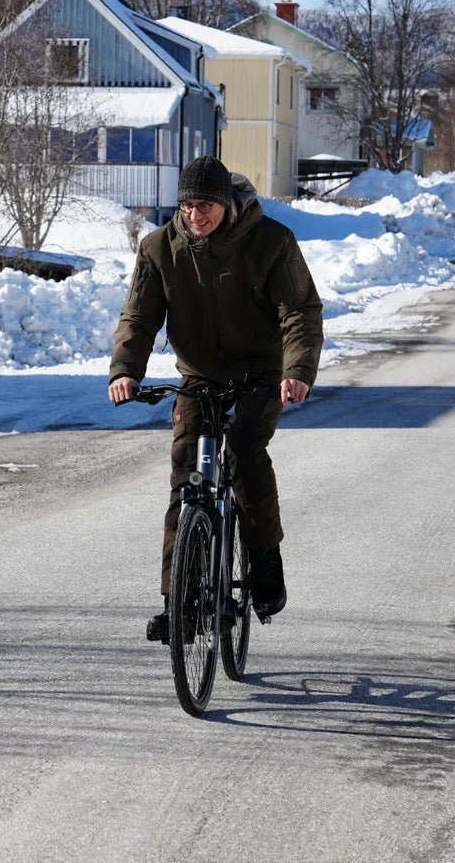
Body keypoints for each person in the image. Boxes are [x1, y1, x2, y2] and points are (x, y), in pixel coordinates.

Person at [108, 155, 323, 643]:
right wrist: (125, 371)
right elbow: (139, 318)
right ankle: (177, 602)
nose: (195, 216)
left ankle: (266, 561)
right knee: (186, 475)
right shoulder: (159, 249)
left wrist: (297, 372)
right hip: (200, 375)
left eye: (205, 205)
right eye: (187, 206)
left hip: (261, 373)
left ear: (225, 204)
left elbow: (299, 313)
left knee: (246, 451)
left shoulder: (271, 242)